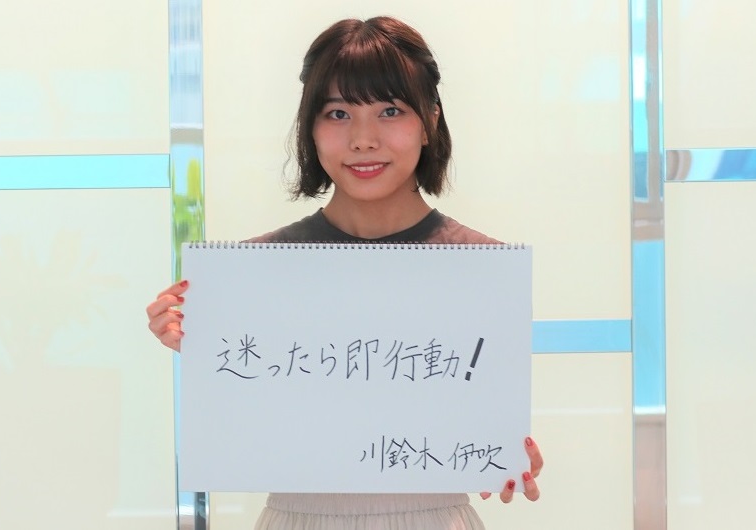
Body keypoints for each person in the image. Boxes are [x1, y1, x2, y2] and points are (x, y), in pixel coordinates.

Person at [146, 16, 543, 530]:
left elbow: (483, 420)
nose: (363, 139)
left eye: (390, 111)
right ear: (310, 128)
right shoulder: (251, 273)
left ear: (430, 120)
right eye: (337, 113)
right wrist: (196, 341)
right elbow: (247, 424)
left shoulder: (483, 267)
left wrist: (510, 456)